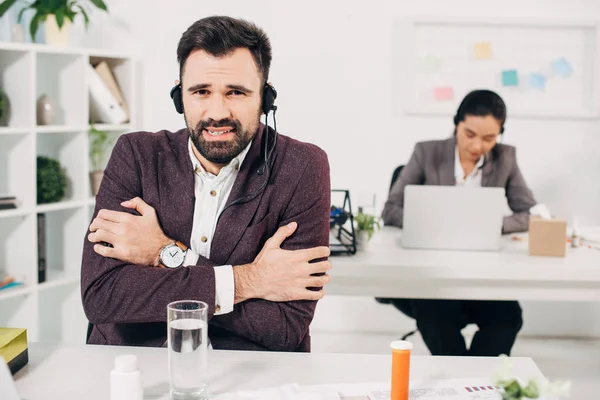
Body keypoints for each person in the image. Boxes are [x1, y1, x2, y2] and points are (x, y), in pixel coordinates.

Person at [81, 16, 332, 352]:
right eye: (201, 92)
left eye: (236, 93)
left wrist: (165, 254)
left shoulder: (301, 167)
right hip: (135, 364)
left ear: (265, 98)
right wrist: (251, 281)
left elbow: (285, 326)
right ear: (178, 96)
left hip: (248, 374)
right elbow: (104, 297)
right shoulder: (136, 155)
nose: (217, 112)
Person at [381, 89, 537, 356]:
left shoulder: (505, 158)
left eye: (489, 138)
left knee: (507, 318)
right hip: (433, 274)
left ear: (500, 133)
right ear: (457, 124)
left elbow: (531, 213)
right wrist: (429, 222)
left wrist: (490, 224)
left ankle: (477, 385)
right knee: (436, 318)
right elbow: (390, 209)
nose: (477, 146)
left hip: (482, 274)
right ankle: (459, 384)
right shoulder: (426, 152)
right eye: (470, 134)